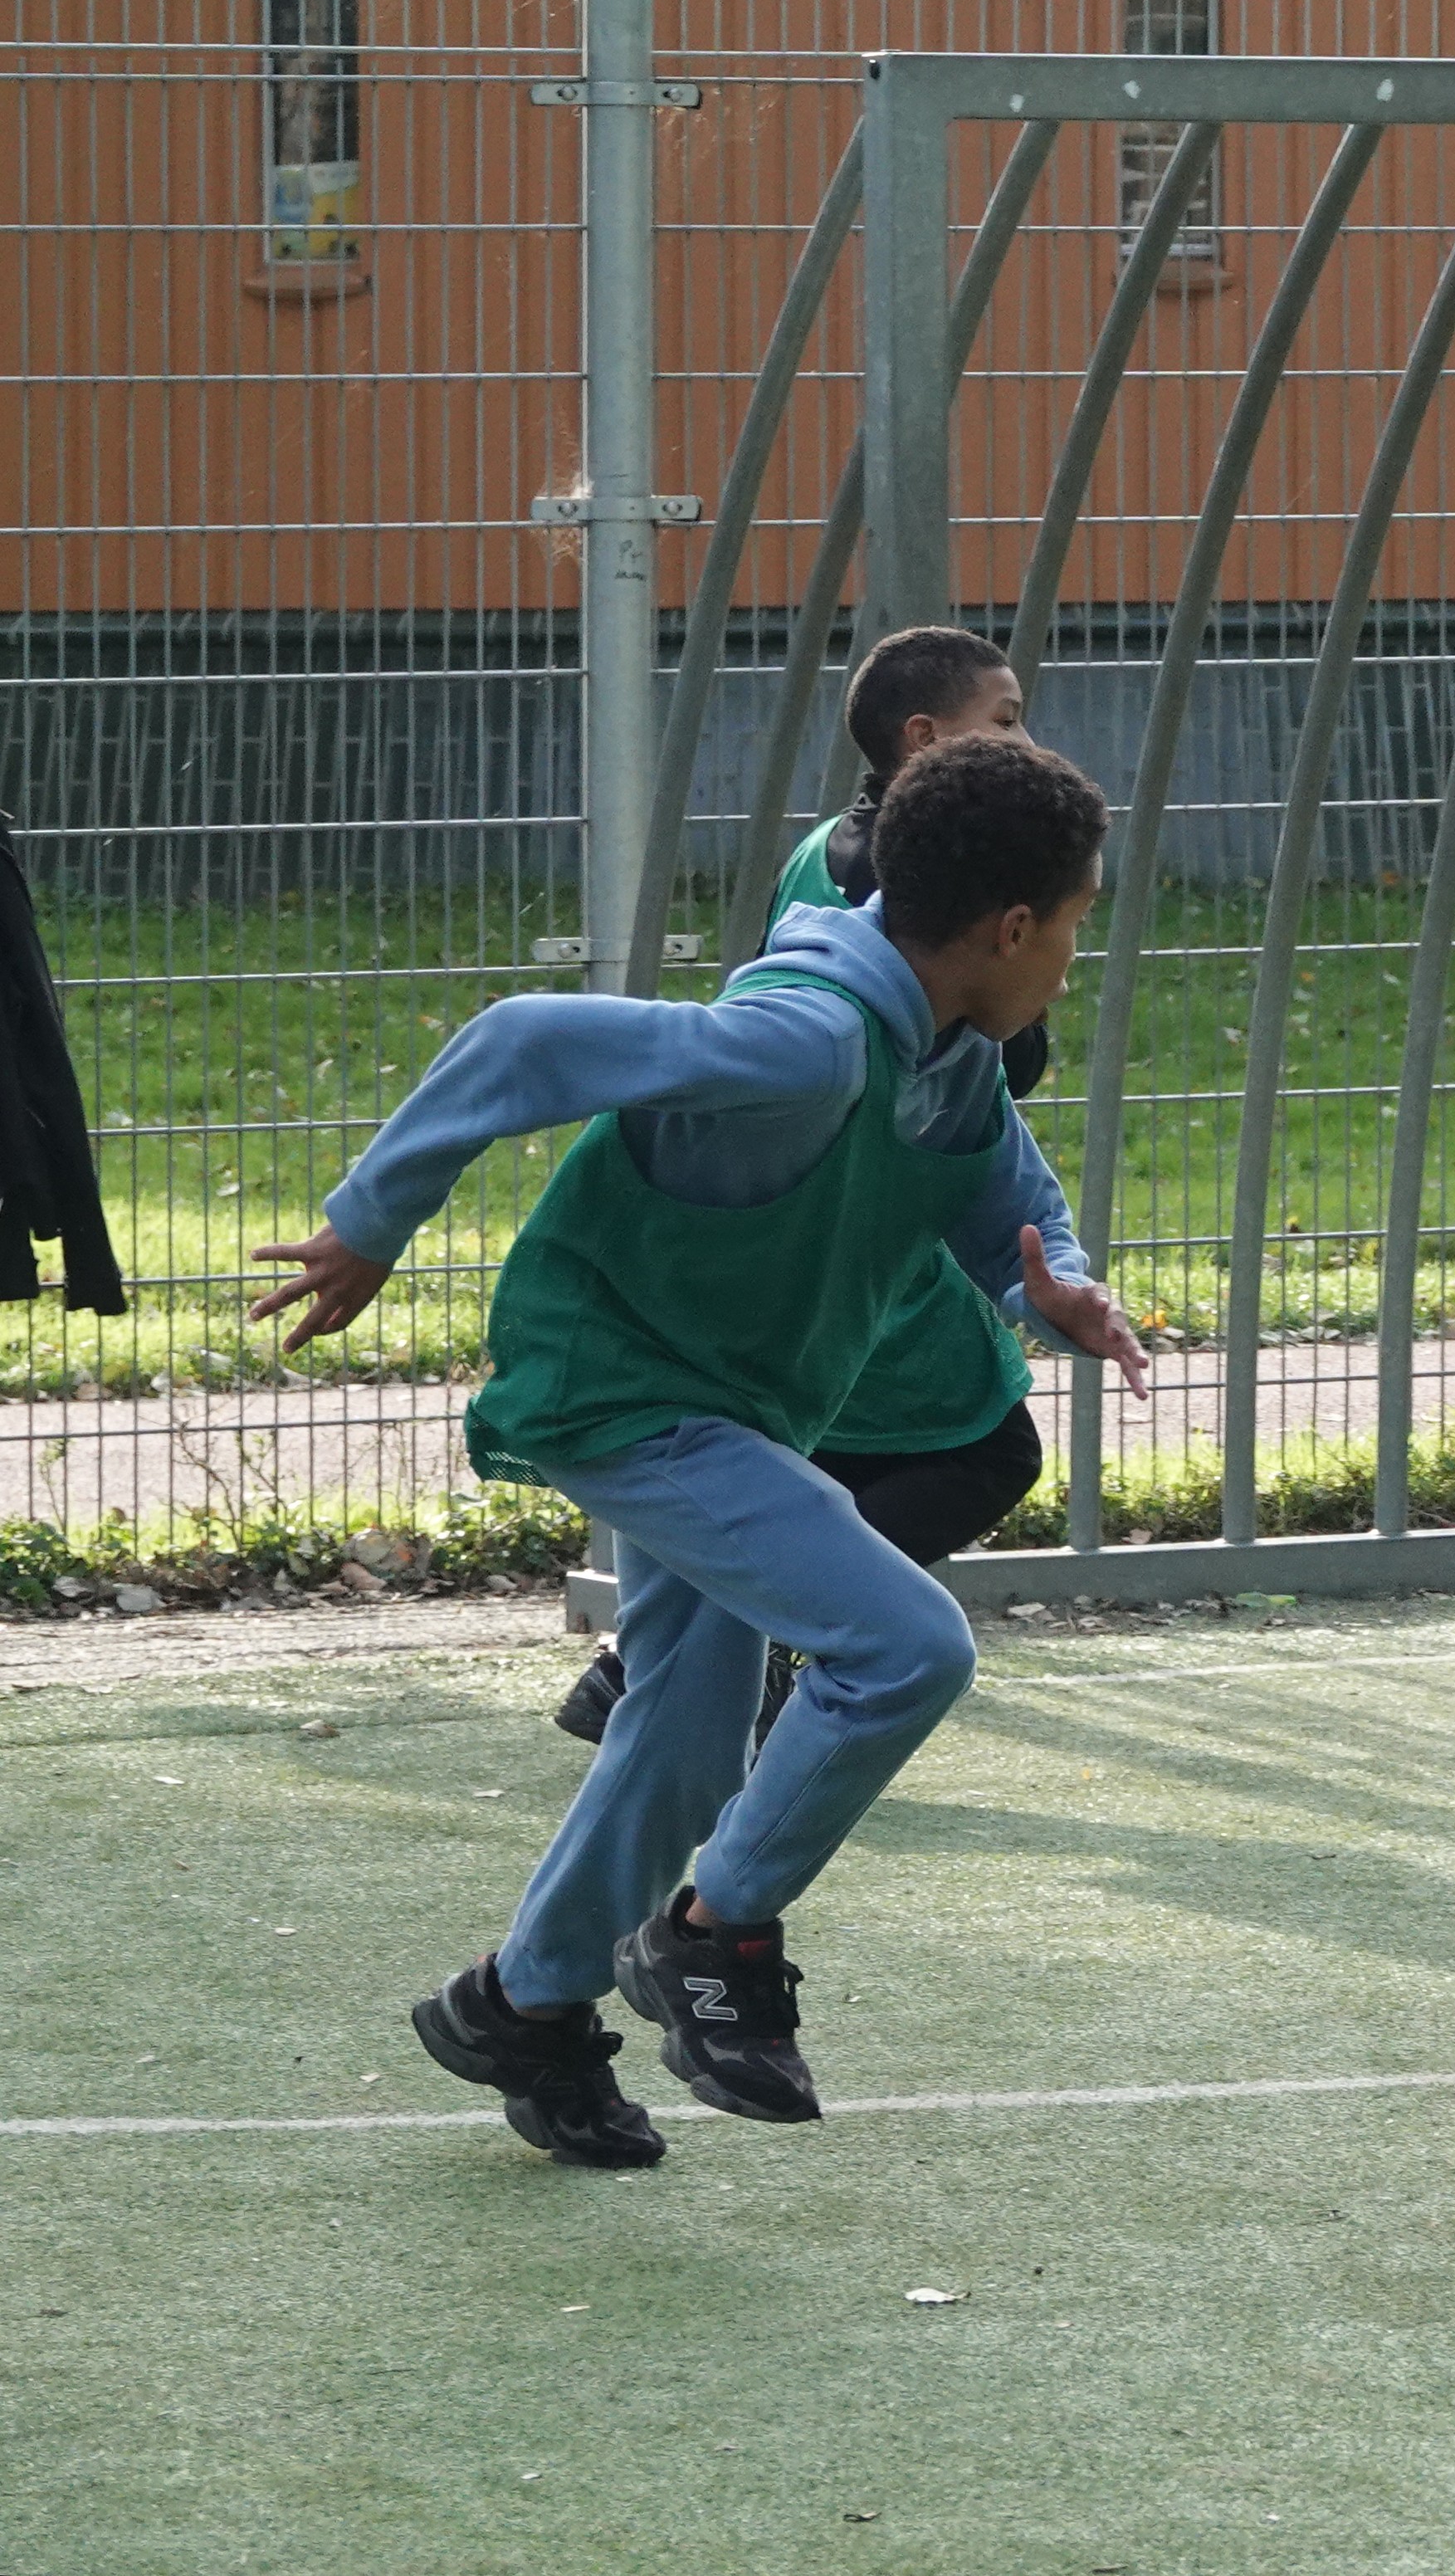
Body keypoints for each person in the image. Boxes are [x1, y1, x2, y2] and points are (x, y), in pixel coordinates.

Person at [248, 736, 1150, 2167]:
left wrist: (1061, 1287)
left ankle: (523, 2005)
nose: (1074, 961)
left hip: (735, 1416)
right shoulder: (808, 1037)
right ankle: (711, 1935)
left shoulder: (952, 1055)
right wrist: (370, 1221)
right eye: (1079, 924)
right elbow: (524, 1038)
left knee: (684, 1732)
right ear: (1012, 926)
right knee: (907, 1647)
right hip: (621, 1395)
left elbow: (1008, 1200)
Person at [550, 622, 1053, 1747]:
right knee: (982, 1448)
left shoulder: (830, 845)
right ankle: (726, 1650)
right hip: (869, 1221)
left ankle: (671, 1668)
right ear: (924, 738)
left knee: (815, 1452)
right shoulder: (920, 893)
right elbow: (994, 1051)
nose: (1027, 744)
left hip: (846, 1206)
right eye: (1007, 721)